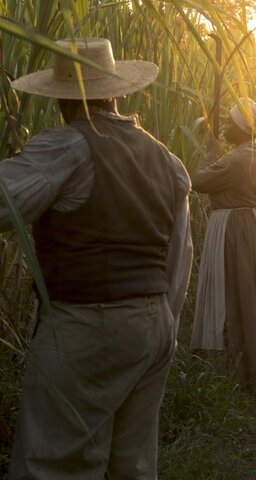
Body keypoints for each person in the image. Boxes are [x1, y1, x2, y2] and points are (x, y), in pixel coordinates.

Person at [5, 38, 192, 478]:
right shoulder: (167, 159)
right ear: (114, 91)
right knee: (131, 466)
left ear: (60, 100)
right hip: (153, 325)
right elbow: (178, 259)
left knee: (56, 465)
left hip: (88, 326)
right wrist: (160, 321)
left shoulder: (65, 147)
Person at [190, 97, 256, 394]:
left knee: (230, 295)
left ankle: (233, 377)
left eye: (231, 122)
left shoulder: (237, 159)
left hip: (232, 230)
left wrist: (209, 153)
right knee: (252, 297)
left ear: (244, 129)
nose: (225, 127)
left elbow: (198, 182)